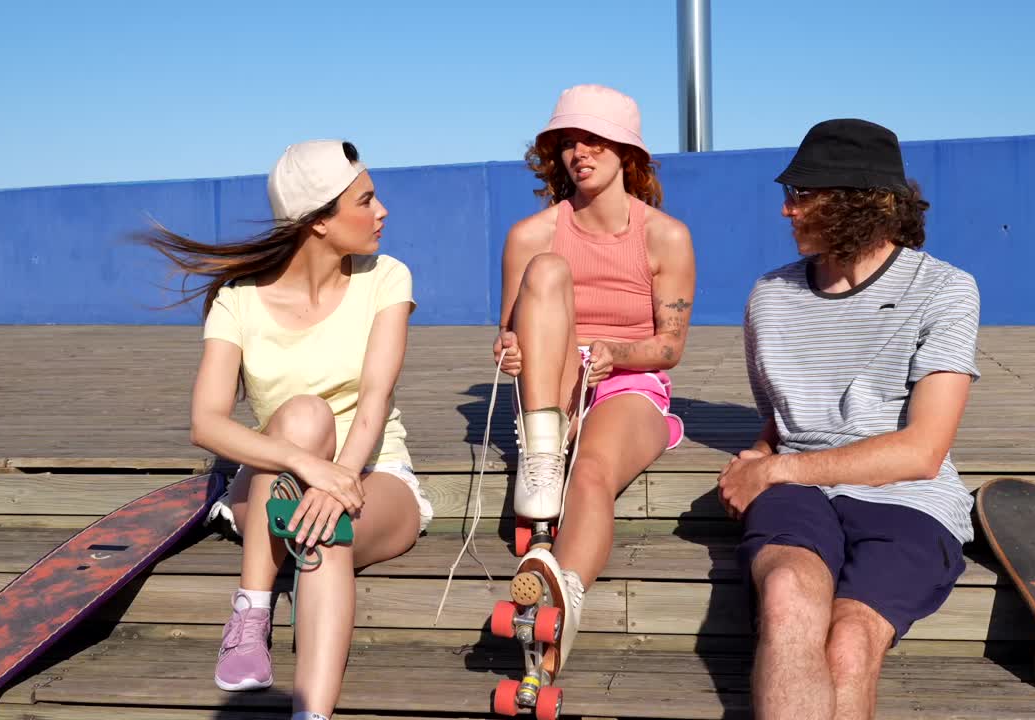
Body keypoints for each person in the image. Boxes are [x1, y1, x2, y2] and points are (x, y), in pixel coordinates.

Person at [140, 140, 433, 720]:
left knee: (327, 528)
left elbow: (375, 399)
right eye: (366, 200)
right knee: (303, 416)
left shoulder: (387, 278)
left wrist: (338, 476)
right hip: (272, 480)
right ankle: (251, 609)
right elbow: (206, 422)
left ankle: (310, 714)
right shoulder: (239, 298)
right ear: (319, 221)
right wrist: (309, 466)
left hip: (374, 477)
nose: (383, 212)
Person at [719, 119, 979, 720]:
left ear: (859, 202)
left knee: (851, 641)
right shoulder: (770, 296)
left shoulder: (946, 290)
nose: (786, 211)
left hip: (909, 496)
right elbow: (782, 418)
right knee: (785, 597)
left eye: (802, 195)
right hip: (797, 491)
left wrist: (777, 469)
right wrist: (762, 455)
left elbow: (920, 452)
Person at [492, 83, 696, 695]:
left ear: (626, 153)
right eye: (567, 142)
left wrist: (617, 352)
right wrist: (511, 351)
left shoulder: (666, 236)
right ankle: (542, 454)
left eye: (595, 140)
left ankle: (564, 598)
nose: (579, 152)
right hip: (553, 382)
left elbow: (671, 346)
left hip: (631, 382)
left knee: (593, 474)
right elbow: (510, 334)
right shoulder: (531, 235)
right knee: (549, 272)